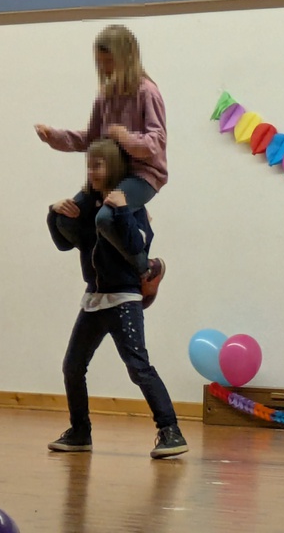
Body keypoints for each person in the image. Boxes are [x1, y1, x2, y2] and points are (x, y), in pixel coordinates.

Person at [46, 139, 188, 459]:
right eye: (89, 165)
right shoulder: (90, 206)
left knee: (138, 367)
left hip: (123, 299)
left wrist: (122, 211)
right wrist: (54, 215)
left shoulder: (130, 205)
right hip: (95, 300)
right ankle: (80, 432)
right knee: (72, 367)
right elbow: (65, 244)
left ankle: (171, 431)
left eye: (99, 165)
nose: (92, 171)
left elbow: (137, 245)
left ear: (114, 167)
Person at [35, 24, 167, 308]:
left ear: (127, 58)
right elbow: (91, 139)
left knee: (106, 217)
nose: (105, 68)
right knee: (66, 219)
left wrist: (126, 138)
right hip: (110, 176)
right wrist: (54, 137)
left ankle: (146, 269)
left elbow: (156, 142)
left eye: (110, 61)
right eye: (101, 63)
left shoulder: (147, 92)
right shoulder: (105, 95)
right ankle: (104, 270)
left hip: (142, 175)